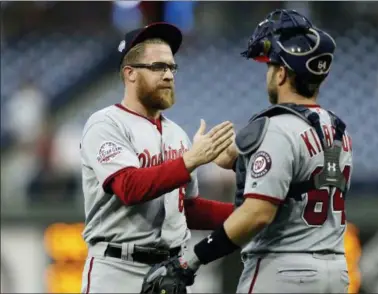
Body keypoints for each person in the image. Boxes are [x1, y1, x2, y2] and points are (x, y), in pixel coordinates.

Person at [142, 9, 354, 294]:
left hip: (283, 271)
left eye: (270, 67)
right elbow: (293, 172)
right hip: (335, 272)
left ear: (281, 74)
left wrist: (190, 260)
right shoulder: (337, 129)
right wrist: (226, 154)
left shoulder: (276, 128)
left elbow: (257, 214)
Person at [79, 22, 238, 293]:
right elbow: (129, 187)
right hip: (117, 269)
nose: (168, 75)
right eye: (158, 67)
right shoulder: (106, 124)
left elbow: (185, 209)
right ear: (130, 73)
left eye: (172, 67)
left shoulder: (177, 133)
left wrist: (244, 214)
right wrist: (192, 160)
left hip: (170, 272)